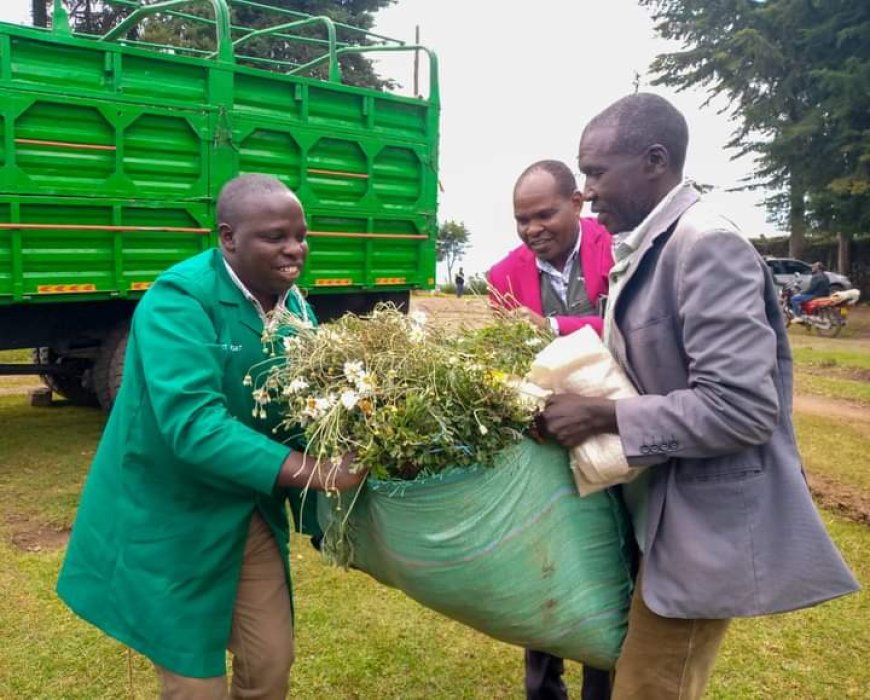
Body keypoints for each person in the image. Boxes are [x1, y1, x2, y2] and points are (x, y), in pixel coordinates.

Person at [538, 93, 859, 699]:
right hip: (657, 515)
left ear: (655, 160)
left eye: (597, 173)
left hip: (697, 531)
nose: (586, 192)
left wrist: (602, 416)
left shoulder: (706, 246)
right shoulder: (651, 246)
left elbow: (741, 407)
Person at [56, 174, 367, 698]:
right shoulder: (178, 301)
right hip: (170, 516)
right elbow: (194, 425)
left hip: (243, 509)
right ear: (228, 237)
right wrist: (314, 474)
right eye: (276, 237)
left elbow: (306, 402)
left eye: (301, 235)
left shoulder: (295, 308)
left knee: (271, 662)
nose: (295, 250)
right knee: (194, 683)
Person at [488, 159, 615, 700]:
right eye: (522, 220)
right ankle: (543, 688)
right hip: (547, 434)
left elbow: (627, 324)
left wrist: (553, 326)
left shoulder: (616, 246)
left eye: (544, 214)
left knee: (612, 558)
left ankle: (601, 684)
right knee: (547, 555)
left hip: (616, 429)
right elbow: (509, 359)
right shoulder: (502, 277)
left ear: (577, 204)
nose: (533, 229)